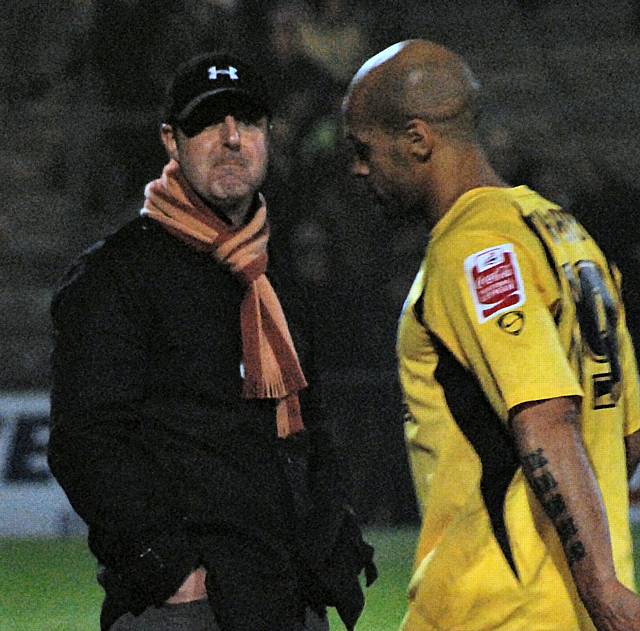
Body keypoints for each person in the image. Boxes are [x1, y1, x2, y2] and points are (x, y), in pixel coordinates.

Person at [48, 51, 375, 631]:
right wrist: (168, 570)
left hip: (290, 594)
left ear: (268, 137)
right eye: (208, 123)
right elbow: (87, 441)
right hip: (187, 607)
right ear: (171, 141)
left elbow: (312, 426)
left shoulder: (278, 274)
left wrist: (332, 546)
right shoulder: (115, 274)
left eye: (248, 122)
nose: (231, 139)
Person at [342, 39, 640, 631]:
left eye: (363, 148)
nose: (357, 167)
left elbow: (546, 418)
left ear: (417, 139)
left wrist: (602, 588)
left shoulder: (476, 249)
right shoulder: (565, 234)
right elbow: (625, 437)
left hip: (497, 612)